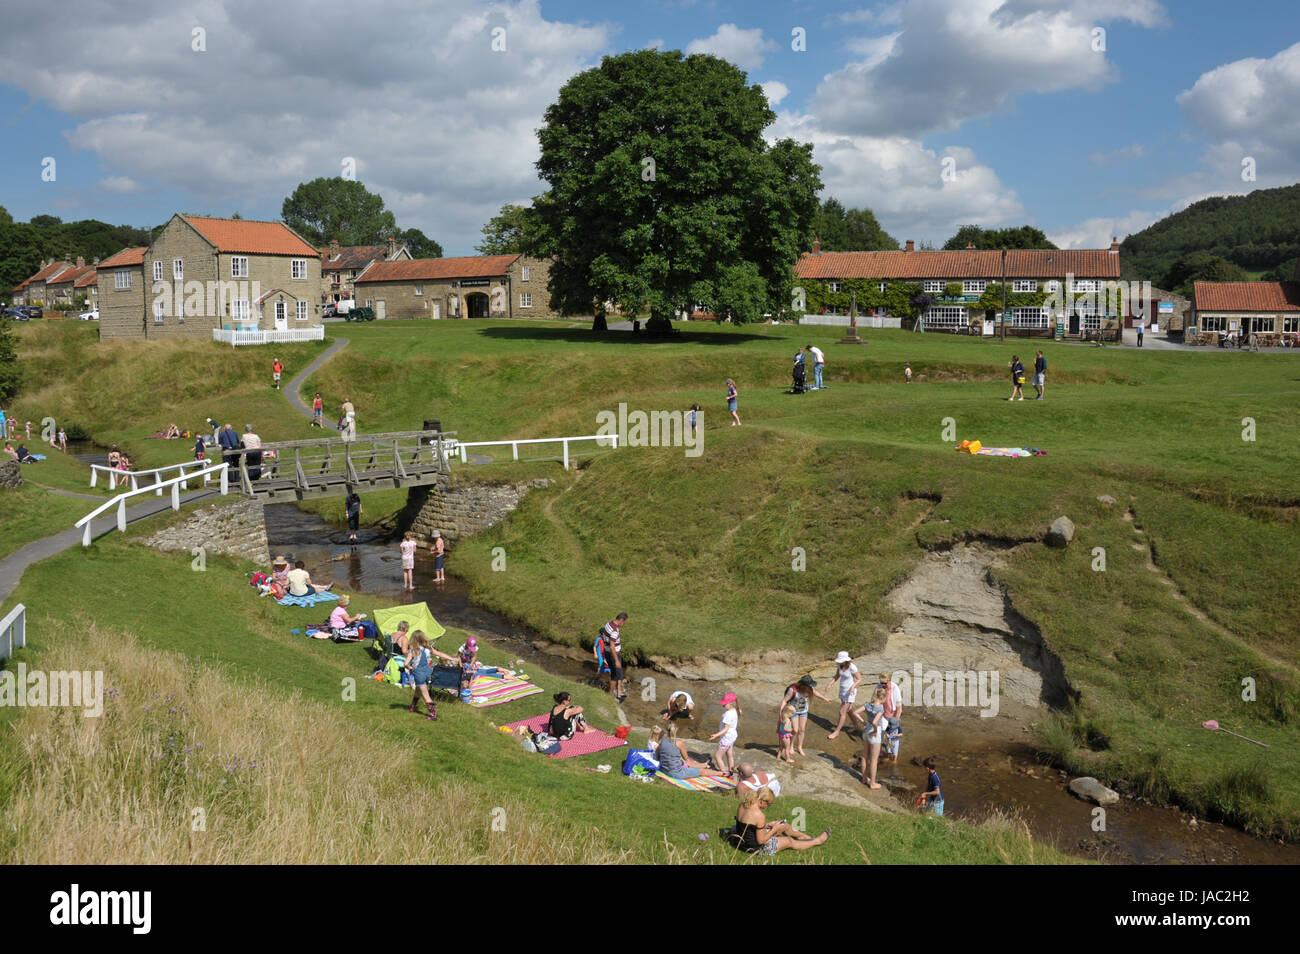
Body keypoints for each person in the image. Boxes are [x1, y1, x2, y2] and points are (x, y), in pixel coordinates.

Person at [731, 786, 829, 855]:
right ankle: (817, 841)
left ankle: (806, 837)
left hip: (741, 842)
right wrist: (774, 828)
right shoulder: (759, 815)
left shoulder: (743, 805)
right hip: (753, 848)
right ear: (763, 801)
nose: (768, 807)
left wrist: (766, 825)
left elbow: (747, 826)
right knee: (789, 841)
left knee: (784, 826)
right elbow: (761, 841)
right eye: (769, 804)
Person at [650, 724, 727, 780]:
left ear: (667, 730)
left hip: (664, 769)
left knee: (685, 763)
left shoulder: (663, 741)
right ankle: (722, 773)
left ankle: (704, 765)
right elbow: (686, 758)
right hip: (676, 773)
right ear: (676, 730)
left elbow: (658, 754)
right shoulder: (679, 743)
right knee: (701, 771)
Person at [781, 674, 831, 757]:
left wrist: (825, 699)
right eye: (809, 686)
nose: (811, 687)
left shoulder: (810, 688)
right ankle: (791, 745)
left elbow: (816, 693)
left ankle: (799, 747)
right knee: (795, 730)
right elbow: (784, 701)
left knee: (802, 730)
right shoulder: (793, 690)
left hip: (804, 711)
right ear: (803, 686)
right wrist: (781, 714)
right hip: (793, 712)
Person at [826, 651, 865, 740]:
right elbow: (837, 676)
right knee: (849, 709)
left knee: (842, 712)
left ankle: (837, 731)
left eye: (841, 661)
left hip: (850, 692)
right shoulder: (839, 665)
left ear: (846, 660)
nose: (840, 662)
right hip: (843, 690)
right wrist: (830, 684)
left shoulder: (852, 667)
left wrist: (853, 687)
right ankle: (856, 726)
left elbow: (859, 679)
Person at [856, 686, 887, 790]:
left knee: (865, 756)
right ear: (882, 697)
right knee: (874, 760)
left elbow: (855, 712)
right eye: (886, 698)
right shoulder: (881, 708)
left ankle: (864, 778)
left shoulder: (868, 704)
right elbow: (875, 722)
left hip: (865, 732)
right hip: (874, 734)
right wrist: (875, 730)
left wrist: (863, 722)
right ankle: (872, 784)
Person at [403, 631, 437, 721]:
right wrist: (453, 658)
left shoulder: (413, 650)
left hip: (419, 674)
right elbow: (439, 654)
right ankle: (412, 707)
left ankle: (433, 714)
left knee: (426, 695)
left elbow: (405, 663)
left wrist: (409, 667)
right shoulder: (428, 649)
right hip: (427, 673)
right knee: (418, 690)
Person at [598, 612, 628, 702]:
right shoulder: (615, 631)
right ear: (621, 620)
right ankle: (618, 693)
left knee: (614, 674)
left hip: (607, 653)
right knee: (619, 674)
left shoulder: (608, 624)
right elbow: (612, 646)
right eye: (624, 622)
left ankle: (611, 693)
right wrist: (616, 660)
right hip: (614, 654)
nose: (624, 624)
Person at [709, 692, 740, 775]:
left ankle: (724, 773)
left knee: (717, 756)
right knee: (729, 754)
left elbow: (726, 729)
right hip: (732, 736)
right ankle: (731, 771)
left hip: (726, 737)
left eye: (725, 704)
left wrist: (716, 735)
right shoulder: (735, 710)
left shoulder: (728, 715)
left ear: (731, 704)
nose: (723, 705)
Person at [878, 671, 904, 765]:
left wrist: (895, 720)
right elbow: (875, 700)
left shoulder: (895, 688)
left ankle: (894, 757)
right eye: (881, 683)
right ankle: (881, 752)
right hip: (884, 714)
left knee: (893, 738)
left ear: (889, 681)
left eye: (885, 683)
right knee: (881, 733)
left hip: (893, 716)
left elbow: (899, 707)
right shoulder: (879, 687)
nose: (883, 685)